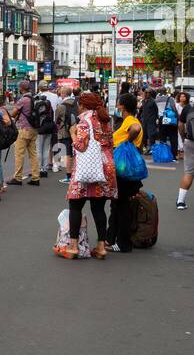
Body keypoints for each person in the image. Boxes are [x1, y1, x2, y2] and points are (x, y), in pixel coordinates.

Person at [62, 91, 117, 259]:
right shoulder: (106, 121)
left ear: (83, 105)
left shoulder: (84, 121)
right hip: (105, 168)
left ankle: (73, 246)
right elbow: (111, 144)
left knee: (75, 205)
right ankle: (101, 246)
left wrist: (72, 132)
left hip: (86, 169)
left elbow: (81, 146)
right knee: (98, 208)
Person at [107, 91, 144, 253]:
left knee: (120, 206)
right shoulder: (127, 120)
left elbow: (135, 129)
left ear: (122, 106)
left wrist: (126, 142)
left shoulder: (131, 120)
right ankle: (111, 238)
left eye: (118, 103)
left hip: (123, 169)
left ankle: (123, 243)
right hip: (126, 168)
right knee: (117, 205)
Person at [9, 81, 40, 185]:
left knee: (19, 154)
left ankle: (18, 178)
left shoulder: (23, 100)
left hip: (23, 129)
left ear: (21, 89)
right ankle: (36, 177)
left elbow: (13, 114)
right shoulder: (35, 98)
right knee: (33, 155)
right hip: (33, 129)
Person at [33, 86, 58, 177]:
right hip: (50, 127)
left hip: (40, 128)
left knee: (39, 149)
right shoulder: (49, 104)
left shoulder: (37, 104)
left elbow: (35, 116)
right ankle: (45, 168)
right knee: (46, 149)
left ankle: (39, 168)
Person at [54, 86, 77, 182]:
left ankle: (68, 176)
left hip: (65, 132)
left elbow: (56, 120)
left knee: (68, 154)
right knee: (76, 152)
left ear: (63, 94)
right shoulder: (77, 103)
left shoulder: (61, 106)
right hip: (76, 131)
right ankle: (76, 174)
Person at [158, 91, 179, 158]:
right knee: (173, 137)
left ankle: (163, 154)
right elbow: (173, 108)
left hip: (161, 119)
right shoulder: (170, 98)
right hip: (169, 119)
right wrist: (177, 116)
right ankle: (174, 154)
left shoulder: (157, 99)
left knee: (162, 137)